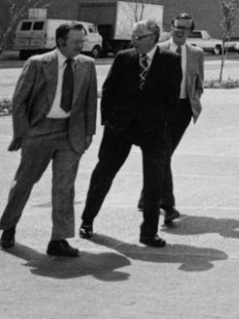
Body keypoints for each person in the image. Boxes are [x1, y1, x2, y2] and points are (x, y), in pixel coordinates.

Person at [0, 22, 98, 258]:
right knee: (24, 182)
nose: (81, 46)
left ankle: (59, 239)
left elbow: (90, 102)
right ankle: (9, 227)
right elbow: (19, 100)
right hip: (39, 131)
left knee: (64, 187)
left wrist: (87, 134)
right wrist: (23, 132)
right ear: (60, 42)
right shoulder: (37, 63)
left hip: (70, 133)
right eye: (76, 42)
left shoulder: (87, 65)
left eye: (82, 41)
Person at [78, 18, 180, 247]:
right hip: (120, 128)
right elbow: (108, 90)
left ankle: (149, 232)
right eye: (132, 36)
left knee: (154, 181)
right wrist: (109, 121)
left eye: (138, 37)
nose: (133, 41)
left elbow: (173, 99)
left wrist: (163, 123)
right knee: (102, 174)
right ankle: (87, 220)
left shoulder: (171, 61)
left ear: (153, 38)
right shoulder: (124, 58)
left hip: (154, 131)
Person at [146, 13, 205, 227]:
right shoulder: (159, 49)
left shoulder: (196, 53)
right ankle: (167, 205)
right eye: (177, 26)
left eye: (185, 28)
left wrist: (194, 100)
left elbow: (199, 82)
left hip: (182, 110)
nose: (180, 31)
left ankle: (147, 197)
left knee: (164, 153)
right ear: (171, 27)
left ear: (191, 31)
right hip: (160, 111)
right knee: (163, 154)